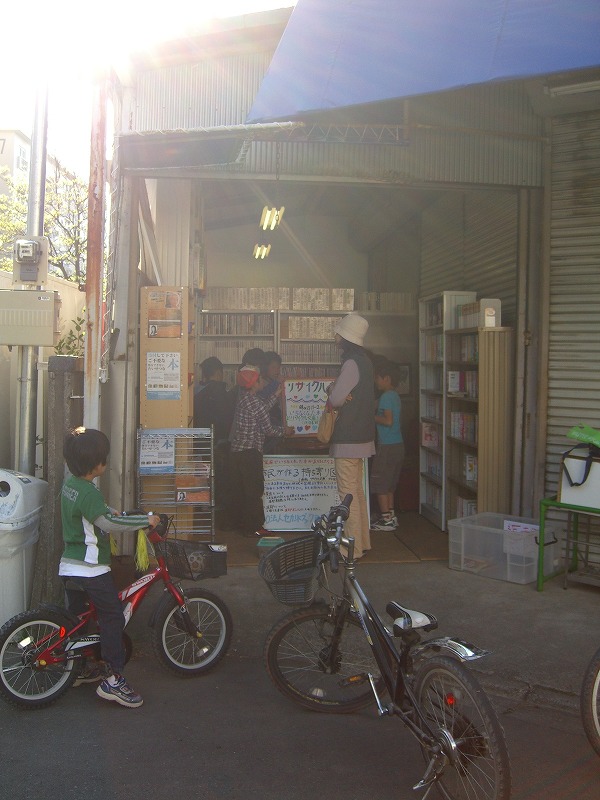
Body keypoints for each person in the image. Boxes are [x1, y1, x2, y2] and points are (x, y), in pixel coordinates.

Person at [59, 426, 160, 708]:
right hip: (91, 568)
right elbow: (107, 523)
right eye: (104, 457)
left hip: (70, 565)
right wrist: (144, 521)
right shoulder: (89, 493)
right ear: (96, 464)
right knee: (112, 618)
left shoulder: (71, 485)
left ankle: (78, 667)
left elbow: (91, 514)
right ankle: (114, 679)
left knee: (79, 619)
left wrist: (108, 510)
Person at [328, 313, 375, 558]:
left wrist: (332, 389)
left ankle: (351, 550)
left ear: (345, 337)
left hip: (347, 438)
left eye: (338, 332)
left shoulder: (350, 364)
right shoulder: (366, 362)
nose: (335, 336)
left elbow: (336, 400)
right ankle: (362, 542)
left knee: (347, 496)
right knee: (357, 492)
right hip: (364, 437)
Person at [228, 365, 295, 537]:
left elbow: (263, 408)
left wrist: (277, 393)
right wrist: (285, 431)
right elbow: (269, 430)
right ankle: (254, 527)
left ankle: (237, 524)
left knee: (239, 490)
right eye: (260, 379)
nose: (263, 381)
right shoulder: (255, 402)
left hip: (237, 451)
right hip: (251, 453)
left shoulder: (244, 398)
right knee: (254, 491)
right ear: (254, 383)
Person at [194, 356, 235, 524]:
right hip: (218, 443)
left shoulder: (196, 391)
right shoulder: (220, 392)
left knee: (202, 475)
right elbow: (226, 419)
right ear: (219, 373)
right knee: (218, 477)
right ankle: (215, 510)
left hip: (198, 442)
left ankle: (201, 506)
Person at [370, 360, 404, 530]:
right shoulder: (394, 396)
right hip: (398, 445)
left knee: (381, 484)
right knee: (390, 484)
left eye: (378, 378)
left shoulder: (385, 397)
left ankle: (386, 520)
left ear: (387, 378)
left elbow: (388, 420)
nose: (376, 381)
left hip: (386, 446)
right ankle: (391, 516)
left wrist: (370, 417)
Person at [258, 351, 284, 454]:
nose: (277, 370)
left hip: (275, 416)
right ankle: (264, 453)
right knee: (280, 429)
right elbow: (263, 395)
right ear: (265, 368)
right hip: (266, 419)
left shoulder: (274, 381)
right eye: (273, 367)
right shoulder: (261, 381)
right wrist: (276, 383)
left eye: (278, 367)